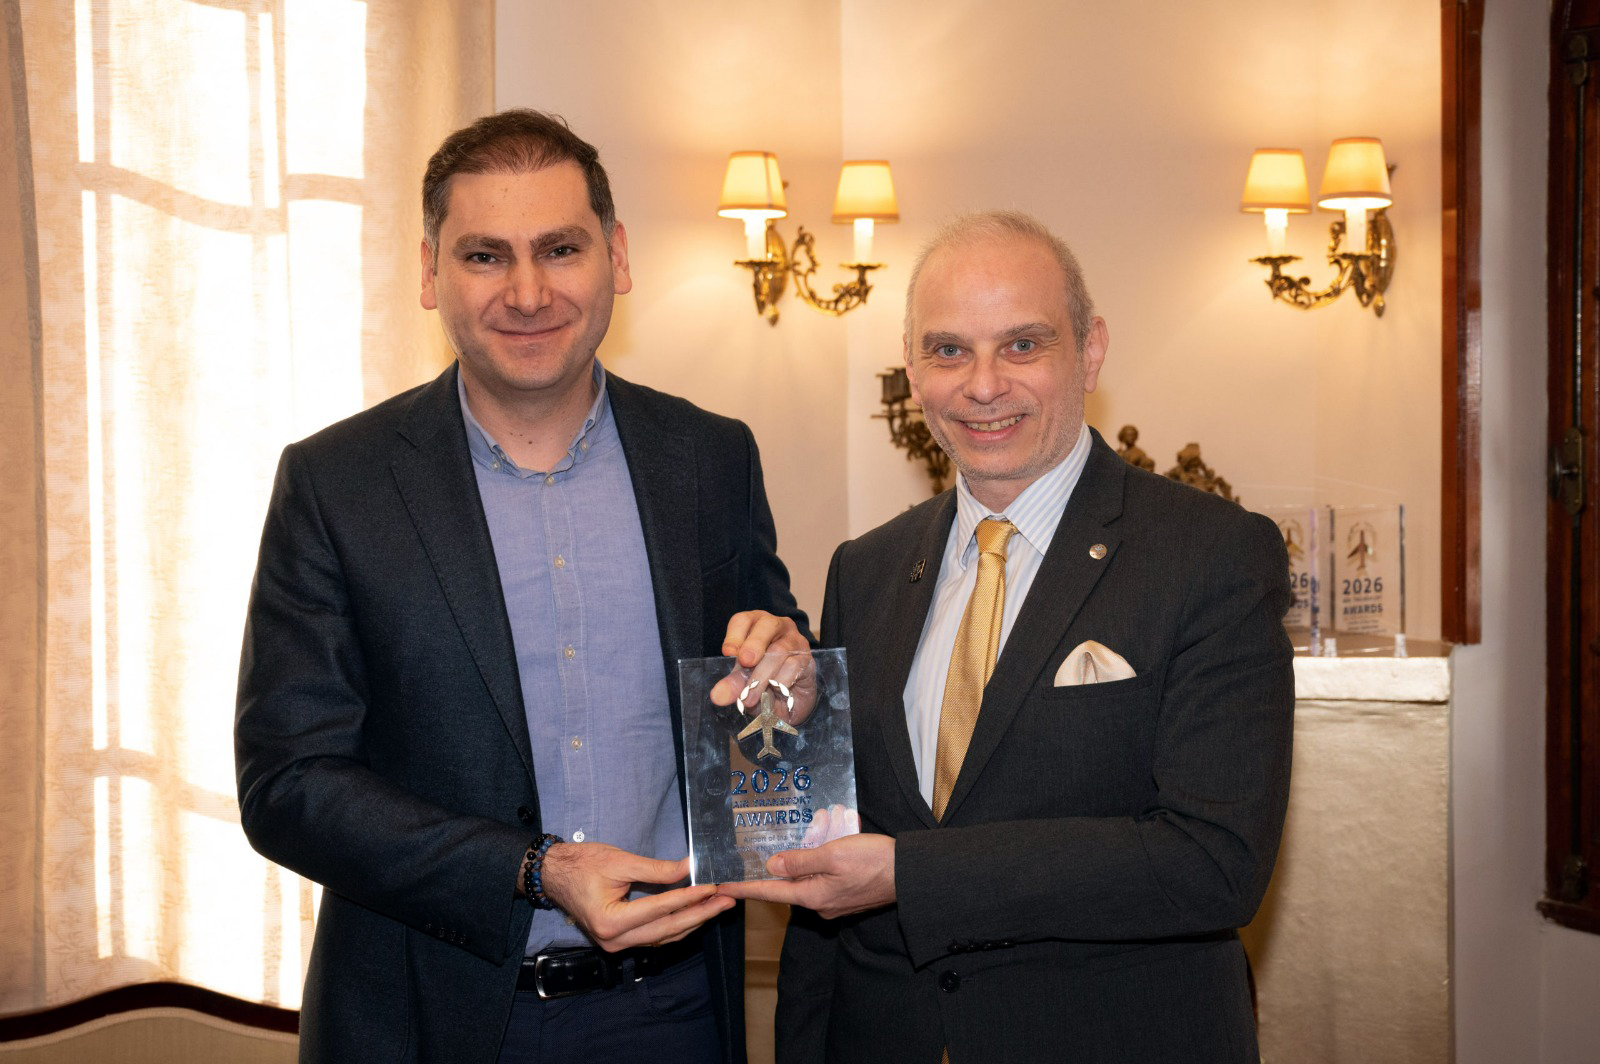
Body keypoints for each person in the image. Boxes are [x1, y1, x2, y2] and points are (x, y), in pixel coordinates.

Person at [235, 109, 809, 1064]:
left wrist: (792, 671)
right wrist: (533, 871)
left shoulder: (711, 460)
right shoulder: (336, 485)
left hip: (675, 1014)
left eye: (560, 249)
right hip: (429, 1021)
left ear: (616, 257)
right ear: (431, 273)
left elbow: (765, 702)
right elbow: (287, 785)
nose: (529, 291)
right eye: (485, 256)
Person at [721, 211, 1294, 1063]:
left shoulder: (1211, 554)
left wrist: (912, 876)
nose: (983, 385)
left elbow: (1214, 863)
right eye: (948, 350)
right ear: (911, 367)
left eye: (1023, 345)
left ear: (1090, 351)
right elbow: (833, 878)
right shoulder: (865, 569)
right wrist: (787, 723)